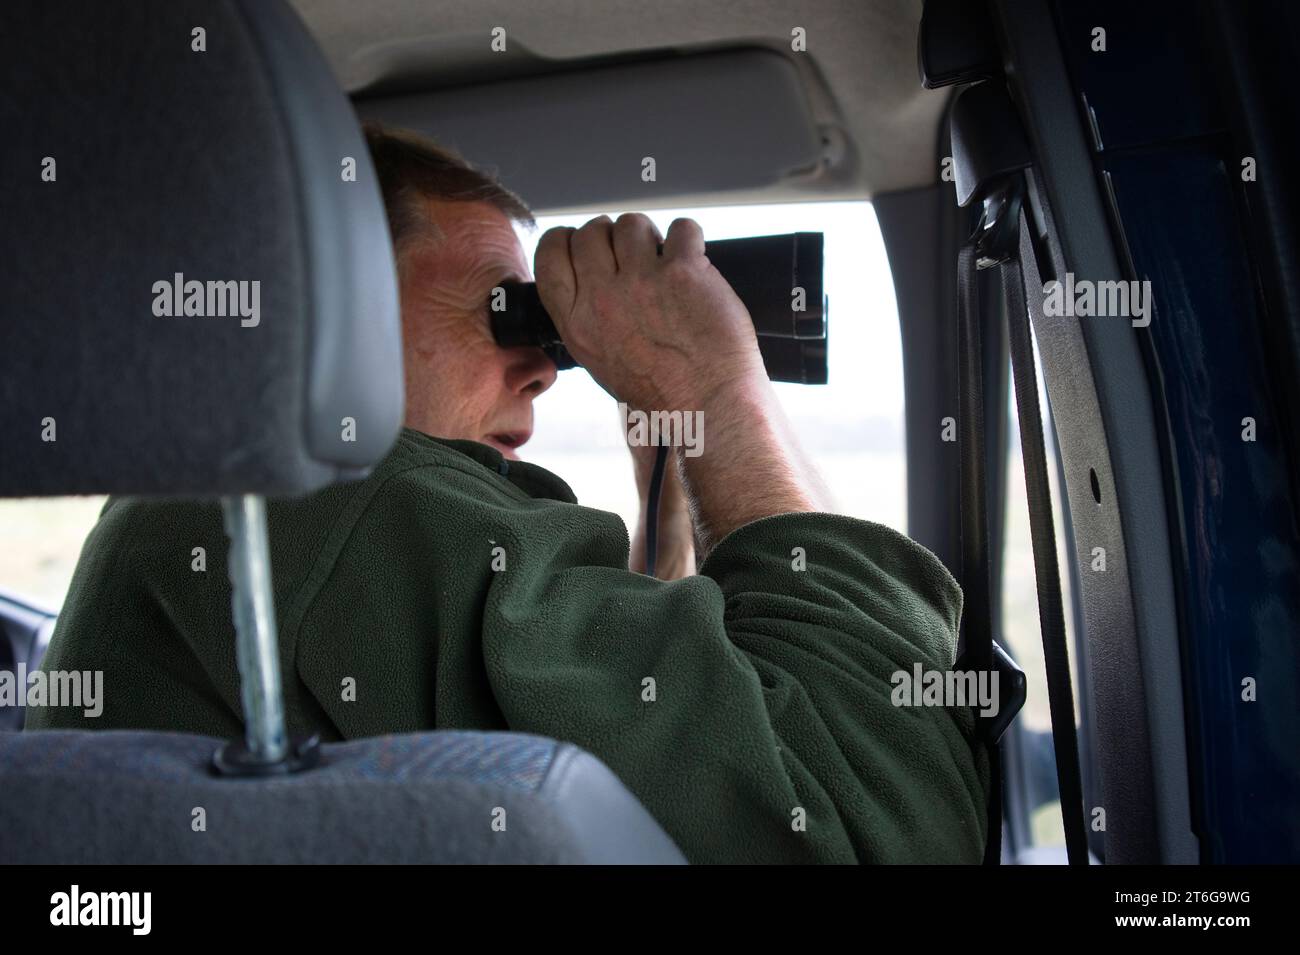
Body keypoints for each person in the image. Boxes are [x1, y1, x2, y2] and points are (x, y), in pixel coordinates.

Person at [28, 124, 988, 863]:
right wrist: (714, 385)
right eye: (505, 308)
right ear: (317, 306)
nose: (545, 365)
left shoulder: (226, 516)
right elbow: (877, 823)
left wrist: (676, 473)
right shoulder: (324, 504)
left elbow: (644, 718)